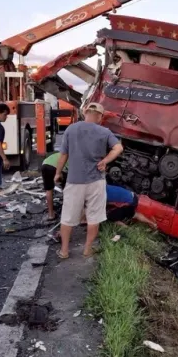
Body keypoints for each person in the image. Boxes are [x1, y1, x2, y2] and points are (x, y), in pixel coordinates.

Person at [54, 102, 123, 259]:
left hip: (74, 180)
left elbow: (63, 155)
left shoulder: (71, 129)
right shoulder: (104, 131)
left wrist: (57, 173)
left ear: (85, 112)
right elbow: (118, 148)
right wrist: (105, 160)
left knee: (68, 217)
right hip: (96, 181)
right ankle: (87, 249)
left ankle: (64, 251)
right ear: (99, 116)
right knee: (94, 217)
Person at [40, 151, 68, 222]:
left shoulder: (58, 154)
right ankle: (66, 214)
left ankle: (51, 215)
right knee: (67, 190)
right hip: (57, 167)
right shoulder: (71, 157)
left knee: (49, 190)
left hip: (45, 165)